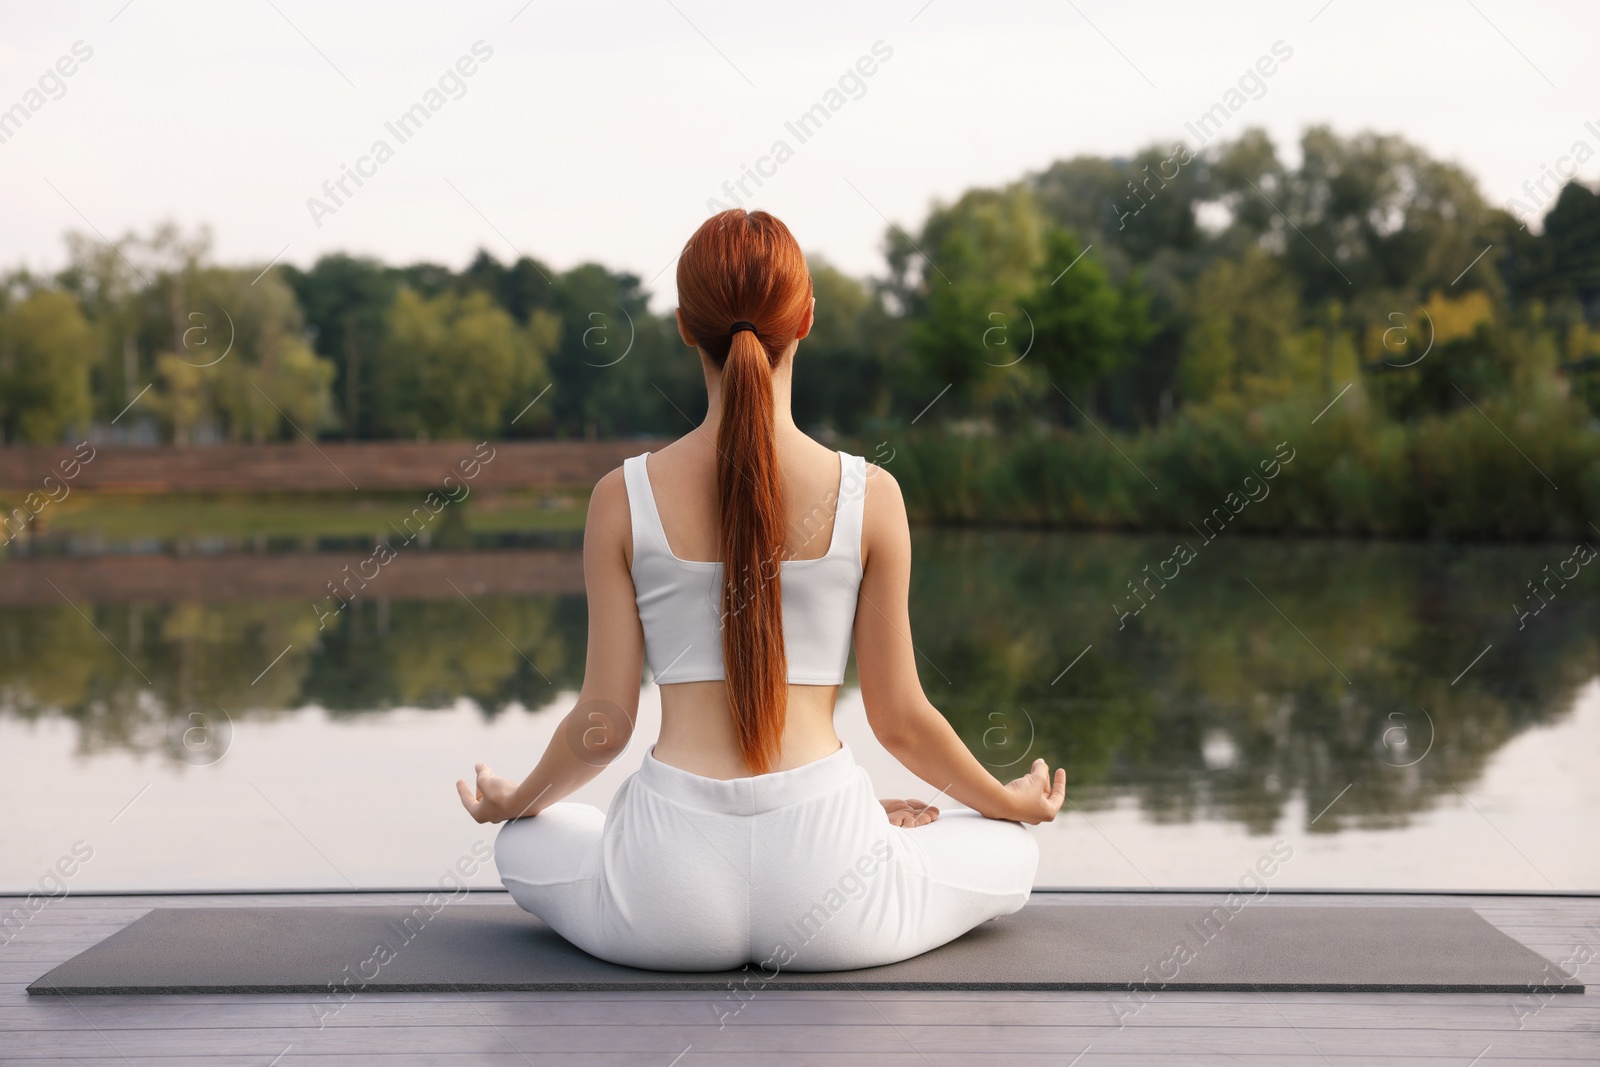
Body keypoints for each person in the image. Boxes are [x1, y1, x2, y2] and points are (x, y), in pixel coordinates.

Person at [456, 209, 1065, 973]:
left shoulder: (622, 496)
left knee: (527, 839)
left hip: (663, 897)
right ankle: (874, 829)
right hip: (836, 893)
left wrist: (518, 801)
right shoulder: (871, 495)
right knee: (1008, 852)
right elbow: (901, 721)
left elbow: (604, 723)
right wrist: (1006, 804)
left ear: (684, 327)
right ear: (806, 318)